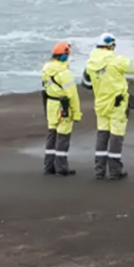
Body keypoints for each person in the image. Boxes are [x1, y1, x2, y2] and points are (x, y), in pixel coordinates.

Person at [82, 33, 134, 180]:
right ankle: (115, 171)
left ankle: (99, 170)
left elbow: (87, 84)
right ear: (111, 46)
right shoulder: (117, 61)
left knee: (102, 135)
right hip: (117, 104)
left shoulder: (90, 63)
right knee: (116, 136)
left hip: (101, 104)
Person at [41, 41, 82, 176]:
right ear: (64, 56)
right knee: (63, 137)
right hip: (62, 107)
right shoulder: (65, 73)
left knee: (51, 135)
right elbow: (73, 95)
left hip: (51, 106)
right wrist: (76, 113)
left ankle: (49, 166)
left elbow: (45, 89)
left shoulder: (46, 69)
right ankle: (61, 168)